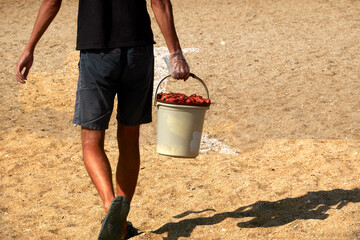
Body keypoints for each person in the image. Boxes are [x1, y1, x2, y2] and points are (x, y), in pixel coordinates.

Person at [15, 0, 190, 239]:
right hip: (138, 50)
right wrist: (175, 53)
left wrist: (30, 47)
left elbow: (53, 2)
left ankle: (111, 208)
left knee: (91, 142)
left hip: (97, 51)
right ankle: (120, 223)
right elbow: (159, 2)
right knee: (129, 139)